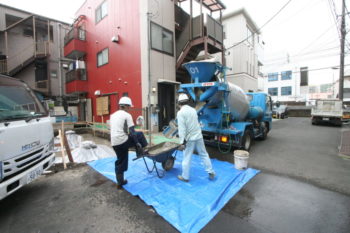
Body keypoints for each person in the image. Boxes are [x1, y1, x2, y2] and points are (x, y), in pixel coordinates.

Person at [176, 93, 215, 182]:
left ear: (179, 103)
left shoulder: (180, 113)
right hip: (198, 136)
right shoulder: (193, 110)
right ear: (187, 101)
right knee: (204, 154)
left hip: (190, 139)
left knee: (187, 157)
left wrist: (182, 142)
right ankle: (211, 171)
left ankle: (185, 177)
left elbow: (182, 129)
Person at [110, 96, 147, 189]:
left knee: (120, 160)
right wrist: (138, 144)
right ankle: (142, 151)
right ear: (126, 106)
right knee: (140, 135)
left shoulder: (113, 115)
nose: (129, 109)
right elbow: (133, 132)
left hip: (114, 142)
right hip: (123, 140)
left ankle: (120, 182)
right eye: (129, 107)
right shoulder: (127, 115)